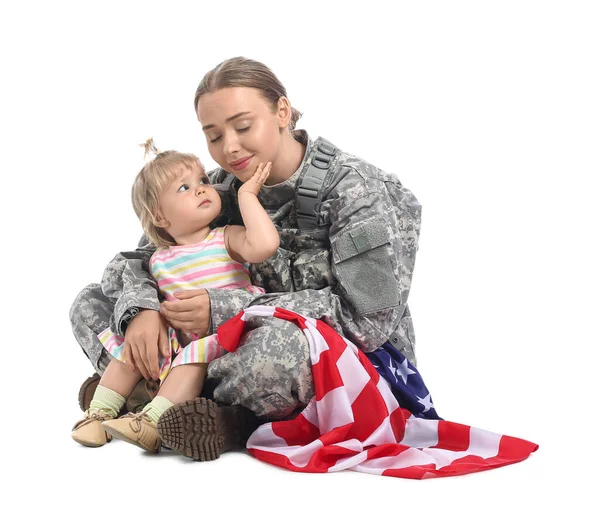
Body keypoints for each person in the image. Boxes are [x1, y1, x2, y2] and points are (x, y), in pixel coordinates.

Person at [70, 56, 422, 461]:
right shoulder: (215, 189)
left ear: (282, 112)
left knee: (282, 350)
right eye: (214, 136)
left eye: (242, 126)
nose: (230, 147)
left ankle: (210, 417)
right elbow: (143, 258)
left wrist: (227, 310)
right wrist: (143, 310)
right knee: (92, 303)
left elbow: (367, 322)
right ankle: (168, 406)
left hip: (334, 358)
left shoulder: (359, 191)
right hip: (211, 348)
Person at [71, 139, 278, 455]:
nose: (200, 189)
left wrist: (246, 195)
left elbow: (265, 245)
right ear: (159, 216)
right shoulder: (156, 258)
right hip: (178, 339)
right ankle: (99, 414)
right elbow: (146, 299)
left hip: (221, 336)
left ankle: (151, 423)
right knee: (131, 351)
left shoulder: (225, 238)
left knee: (190, 359)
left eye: (202, 181)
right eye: (184, 188)